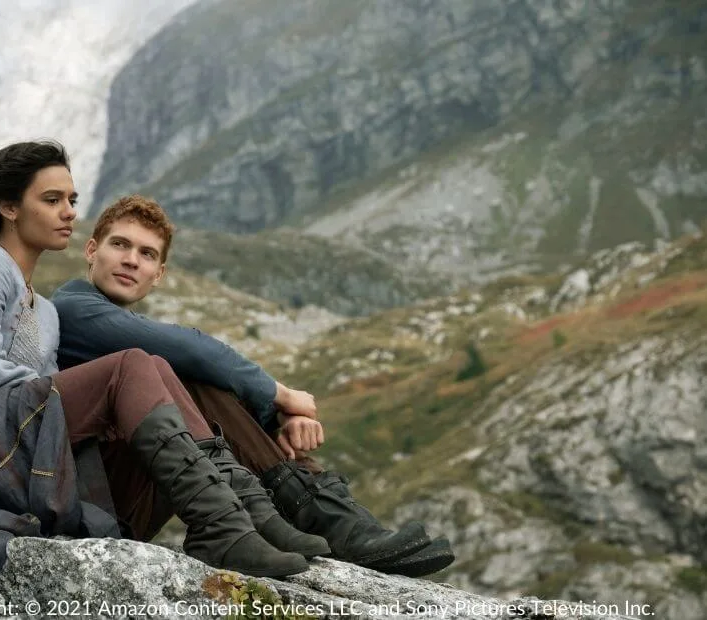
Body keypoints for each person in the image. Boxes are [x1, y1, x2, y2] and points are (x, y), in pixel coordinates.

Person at [0, 141, 315, 580]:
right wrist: (101, 397)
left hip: (11, 428)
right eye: (52, 200)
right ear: (9, 207)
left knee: (160, 376)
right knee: (131, 365)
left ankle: (246, 516)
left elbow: (44, 393)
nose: (69, 212)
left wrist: (111, 411)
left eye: (71, 200)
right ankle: (223, 525)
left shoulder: (46, 310)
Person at [51, 195, 456, 577]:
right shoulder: (71, 308)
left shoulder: (120, 324)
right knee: (182, 369)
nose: (131, 260)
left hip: (130, 496)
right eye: (120, 245)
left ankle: (316, 513)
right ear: (91, 251)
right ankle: (322, 514)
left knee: (178, 373)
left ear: (159, 275)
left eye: (147, 254)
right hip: (93, 499)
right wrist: (282, 397)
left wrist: (275, 425)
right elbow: (192, 348)